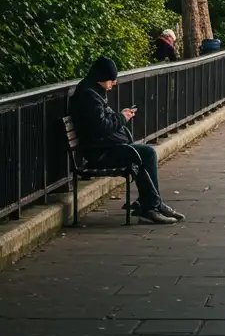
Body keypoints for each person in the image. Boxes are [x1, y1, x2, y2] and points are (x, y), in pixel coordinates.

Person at [68, 56, 185, 224]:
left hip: (104, 147)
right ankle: (151, 206)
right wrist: (122, 118)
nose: (113, 83)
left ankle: (151, 204)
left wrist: (120, 115)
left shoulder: (92, 91)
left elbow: (102, 121)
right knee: (147, 154)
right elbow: (101, 127)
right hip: (98, 152)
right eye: (111, 79)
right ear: (102, 77)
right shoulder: (89, 96)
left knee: (141, 156)